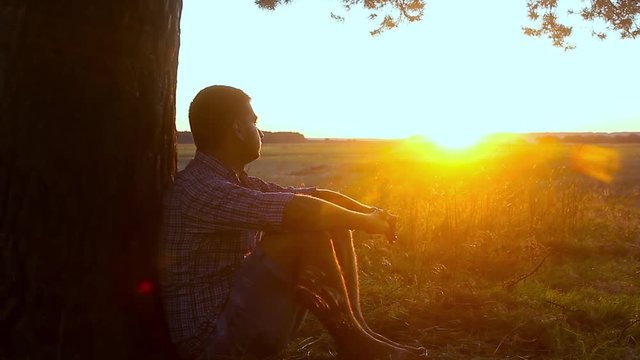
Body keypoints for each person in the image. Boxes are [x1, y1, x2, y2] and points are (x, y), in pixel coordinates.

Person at [159, 85, 427, 360]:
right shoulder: (202, 188)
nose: (260, 132)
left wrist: (370, 211)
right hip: (210, 344)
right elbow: (299, 210)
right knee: (308, 230)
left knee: (329, 219)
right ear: (237, 128)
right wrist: (365, 222)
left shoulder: (234, 181)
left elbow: (313, 197)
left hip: (233, 319)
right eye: (254, 122)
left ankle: (359, 334)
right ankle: (356, 344)